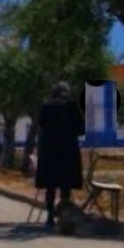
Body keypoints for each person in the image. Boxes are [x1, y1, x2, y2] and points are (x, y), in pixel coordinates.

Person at [35, 81, 86, 228]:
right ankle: (64, 217)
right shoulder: (72, 108)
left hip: (50, 152)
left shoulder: (47, 107)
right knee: (65, 187)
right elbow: (81, 129)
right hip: (68, 152)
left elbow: (41, 124)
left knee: (50, 186)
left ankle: (50, 217)